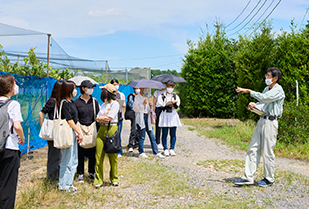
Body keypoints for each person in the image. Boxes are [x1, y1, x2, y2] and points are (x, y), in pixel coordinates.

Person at [233, 67, 285, 187]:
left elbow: (264, 98)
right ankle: (248, 177)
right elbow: (263, 104)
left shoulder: (278, 90)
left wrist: (249, 91)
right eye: (266, 75)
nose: (266, 78)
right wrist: (254, 105)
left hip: (271, 122)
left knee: (267, 151)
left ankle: (269, 178)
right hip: (262, 120)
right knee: (253, 148)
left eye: (269, 76)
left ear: (275, 78)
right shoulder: (267, 88)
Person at [0, 74, 25, 208]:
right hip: (9, 148)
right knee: (7, 186)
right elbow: (17, 126)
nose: (16, 86)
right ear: (10, 88)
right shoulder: (13, 104)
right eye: (14, 83)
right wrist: (22, 136)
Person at [58, 80, 83, 192]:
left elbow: (75, 119)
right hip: (68, 132)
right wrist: (79, 132)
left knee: (74, 160)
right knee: (66, 160)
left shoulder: (71, 102)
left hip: (73, 132)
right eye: (73, 88)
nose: (75, 90)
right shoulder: (64, 103)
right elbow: (69, 120)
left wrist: (77, 132)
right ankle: (62, 185)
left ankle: (69, 182)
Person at [73, 80, 100, 183]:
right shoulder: (76, 103)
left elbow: (97, 116)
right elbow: (74, 118)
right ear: (83, 89)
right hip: (81, 129)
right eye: (89, 87)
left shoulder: (94, 102)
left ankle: (91, 172)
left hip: (92, 129)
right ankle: (80, 173)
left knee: (92, 152)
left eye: (92, 87)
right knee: (80, 152)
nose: (91, 89)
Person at [95, 84, 120, 187]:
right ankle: (98, 180)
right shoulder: (103, 105)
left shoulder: (115, 104)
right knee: (98, 155)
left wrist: (100, 118)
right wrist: (100, 118)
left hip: (112, 128)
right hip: (102, 129)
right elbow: (97, 118)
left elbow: (108, 118)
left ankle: (114, 178)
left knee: (112, 155)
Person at [39, 80, 63, 182]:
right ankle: (52, 178)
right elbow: (41, 113)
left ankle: (57, 176)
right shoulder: (53, 101)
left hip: (60, 131)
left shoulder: (62, 101)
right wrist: (43, 126)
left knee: (59, 155)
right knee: (54, 155)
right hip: (54, 131)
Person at [133, 88, 165, 159]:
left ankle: (156, 152)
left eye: (147, 88)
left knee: (152, 135)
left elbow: (147, 109)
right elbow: (135, 109)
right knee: (142, 136)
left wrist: (150, 106)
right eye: (145, 88)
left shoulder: (146, 97)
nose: (146, 90)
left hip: (147, 117)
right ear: (141, 88)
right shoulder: (137, 97)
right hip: (141, 118)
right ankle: (141, 152)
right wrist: (142, 104)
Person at [157, 80, 181, 156]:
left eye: (171, 87)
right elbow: (159, 106)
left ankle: (172, 148)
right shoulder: (162, 96)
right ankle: (165, 148)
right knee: (164, 133)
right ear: (166, 87)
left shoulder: (175, 96)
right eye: (168, 87)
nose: (170, 88)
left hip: (173, 115)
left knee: (173, 133)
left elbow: (177, 105)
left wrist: (173, 105)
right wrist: (167, 105)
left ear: (173, 87)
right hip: (165, 115)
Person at [110, 79, 126, 157]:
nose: (116, 86)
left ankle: (119, 150)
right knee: (112, 134)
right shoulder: (109, 94)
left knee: (118, 134)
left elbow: (124, 103)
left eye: (117, 84)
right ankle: (112, 149)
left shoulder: (121, 94)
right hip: (112, 117)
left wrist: (123, 106)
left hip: (119, 117)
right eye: (114, 84)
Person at [125, 88, 139, 152]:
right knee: (133, 129)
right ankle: (130, 145)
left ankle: (137, 144)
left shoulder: (140, 96)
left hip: (139, 114)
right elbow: (131, 105)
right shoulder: (131, 96)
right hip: (133, 114)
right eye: (137, 88)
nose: (138, 90)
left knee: (138, 129)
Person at [153, 84, 166, 150]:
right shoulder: (156, 92)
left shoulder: (166, 92)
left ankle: (164, 141)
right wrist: (153, 112)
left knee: (164, 125)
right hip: (158, 109)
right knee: (158, 125)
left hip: (165, 109)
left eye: (164, 83)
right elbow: (154, 102)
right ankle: (157, 142)